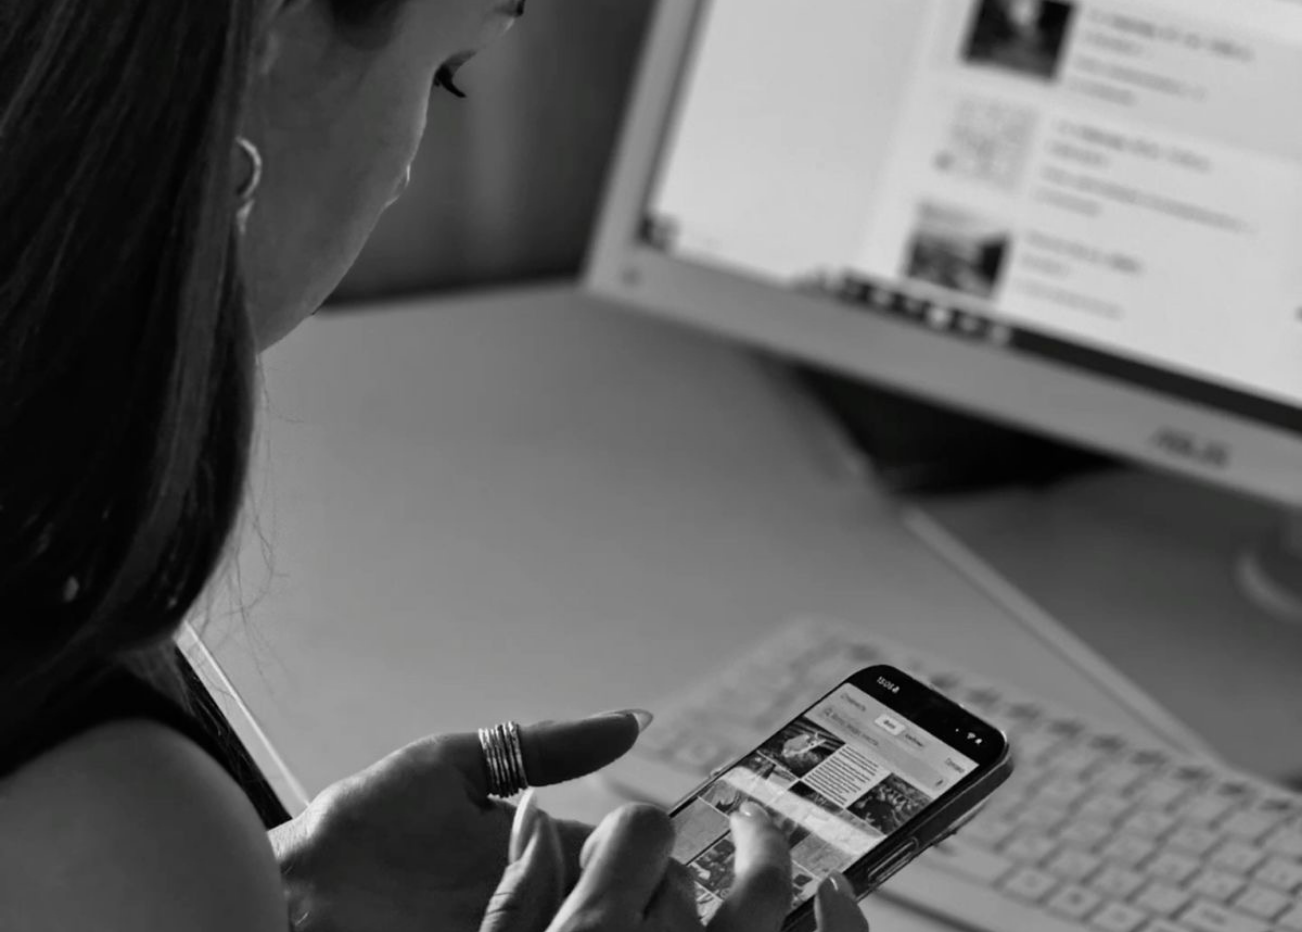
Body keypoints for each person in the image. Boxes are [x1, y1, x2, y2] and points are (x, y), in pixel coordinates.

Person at [0, 3, 874, 931]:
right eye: (445, 71)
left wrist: (279, 889)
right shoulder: (103, 819)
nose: (409, 167)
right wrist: (187, 880)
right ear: (270, 42)